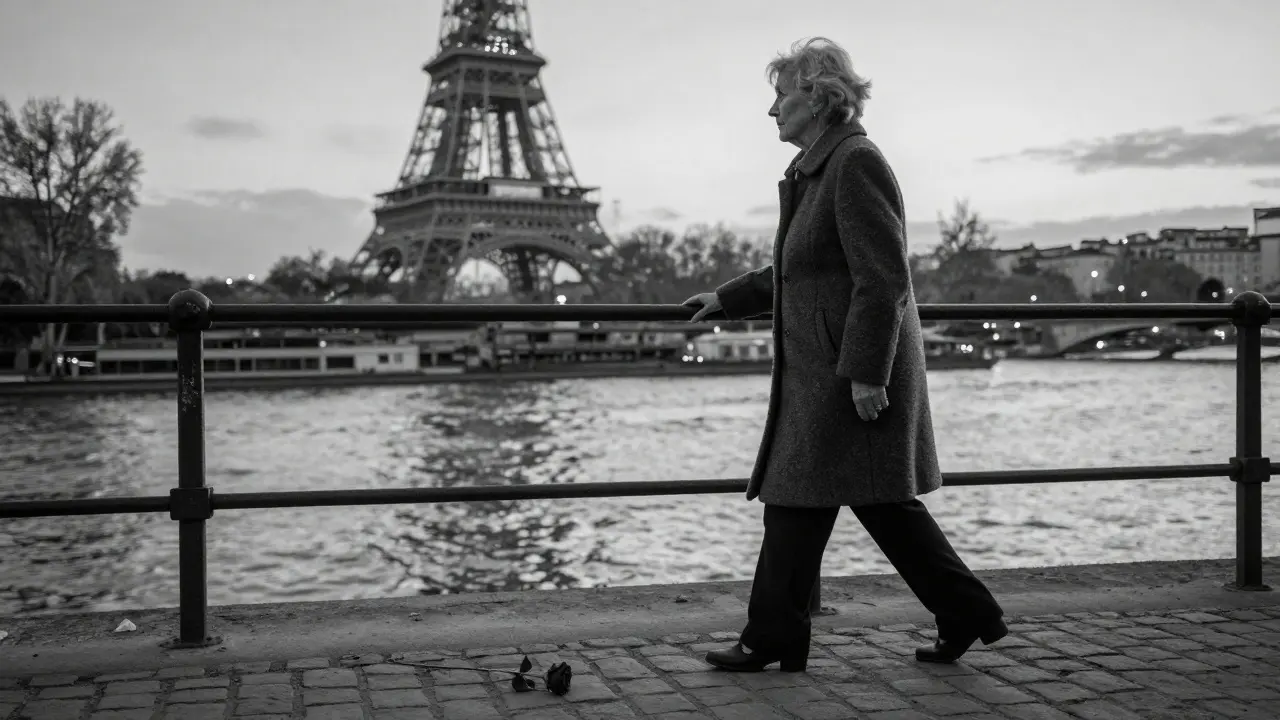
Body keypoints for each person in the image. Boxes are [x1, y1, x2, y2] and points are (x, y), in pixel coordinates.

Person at [683, 37, 1006, 673]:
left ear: (817, 96)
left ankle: (775, 635)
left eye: (779, 97)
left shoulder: (854, 163)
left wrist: (864, 373)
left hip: (849, 374)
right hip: (827, 371)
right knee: (855, 504)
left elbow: (883, 277)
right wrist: (726, 298)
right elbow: (796, 268)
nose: (771, 111)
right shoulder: (818, 169)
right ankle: (961, 611)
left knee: (808, 499)